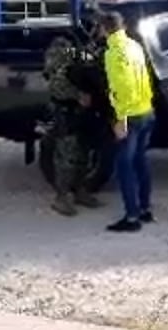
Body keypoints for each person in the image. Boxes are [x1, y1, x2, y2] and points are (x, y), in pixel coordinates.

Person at [98, 11, 156, 233]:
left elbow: (120, 88)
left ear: (105, 29)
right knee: (141, 161)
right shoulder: (134, 46)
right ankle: (145, 209)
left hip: (130, 115)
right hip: (146, 111)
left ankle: (131, 218)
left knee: (124, 166)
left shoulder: (113, 53)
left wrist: (120, 119)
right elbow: (143, 78)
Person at [42, 34, 103, 216]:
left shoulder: (82, 48)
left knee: (83, 153)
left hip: (82, 113)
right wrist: (77, 95)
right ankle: (61, 197)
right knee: (66, 156)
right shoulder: (61, 51)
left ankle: (79, 190)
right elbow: (56, 85)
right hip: (66, 112)